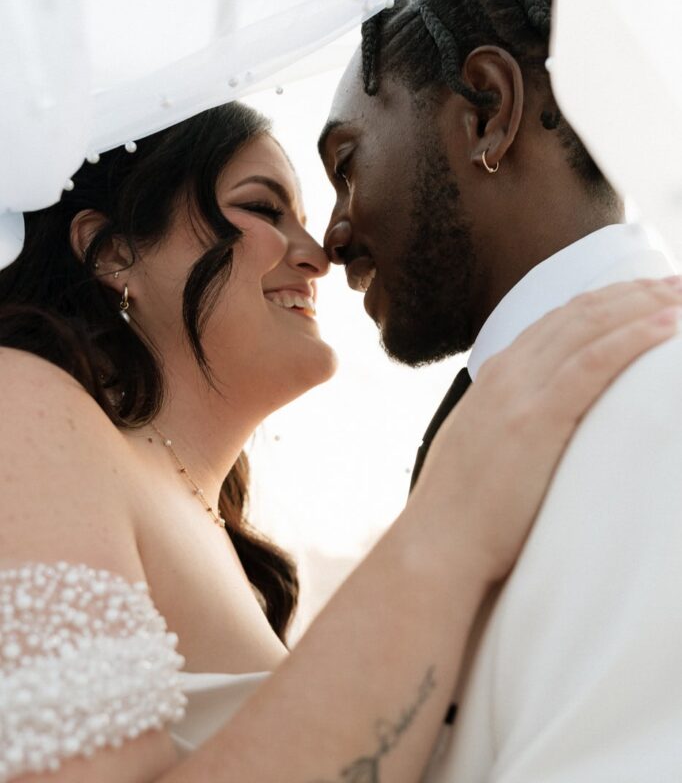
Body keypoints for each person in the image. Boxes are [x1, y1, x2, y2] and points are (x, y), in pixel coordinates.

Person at [0, 104, 677, 783]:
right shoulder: (21, 398)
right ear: (111, 251)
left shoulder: (221, 538)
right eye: (264, 209)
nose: (317, 253)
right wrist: (450, 524)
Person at [318, 0, 682, 781]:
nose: (332, 235)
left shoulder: (659, 399)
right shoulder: (528, 407)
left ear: (486, 108)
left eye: (346, 164)